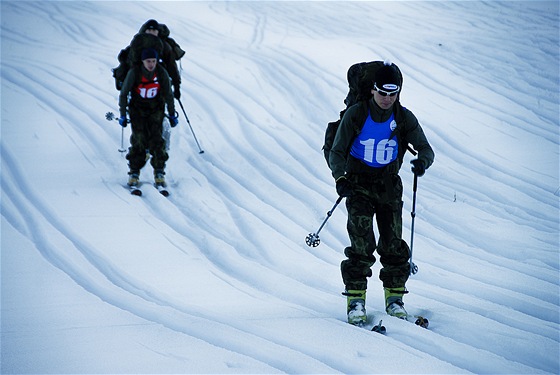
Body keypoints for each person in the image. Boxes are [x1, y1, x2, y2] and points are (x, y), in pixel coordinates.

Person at [328, 62, 435, 325]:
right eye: (382, 93)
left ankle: (395, 298)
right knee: (362, 245)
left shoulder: (403, 117)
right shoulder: (356, 114)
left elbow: (426, 149)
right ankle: (355, 301)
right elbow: (337, 151)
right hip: (358, 184)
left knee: (393, 245)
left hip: (389, 185)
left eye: (393, 93)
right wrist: (341, 177)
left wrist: (422, 162)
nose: (387, 99)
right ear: (373, 91)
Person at [118, 48, 178, 188]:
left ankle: (159, 171)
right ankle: (134, 171)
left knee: (157, 139)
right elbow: (124, 93)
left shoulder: (161, 72)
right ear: (143, 61)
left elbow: (169, 94)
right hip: (137, 109)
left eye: (153, 61)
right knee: (139, 139)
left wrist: (171, 114)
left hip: (155, 108)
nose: (151, 64)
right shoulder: (135, 72)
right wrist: (122, 114)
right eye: (148, 61)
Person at [127, 19, 182, 99]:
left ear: (158, 32)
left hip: (158, 80)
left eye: (154, 30)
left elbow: (171, 66)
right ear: (145, 31)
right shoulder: (138, 43)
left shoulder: (165, 47)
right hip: (139, 80)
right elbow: (129, 60)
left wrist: (177, 87)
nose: (151, 32)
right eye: (149, 30)